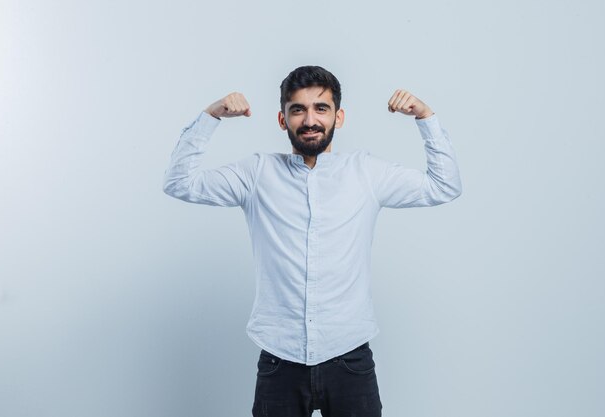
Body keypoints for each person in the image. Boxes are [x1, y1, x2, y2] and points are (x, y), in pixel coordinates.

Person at [163, 65, 462, 417]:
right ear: (282, 119)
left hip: (350, 358)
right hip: (280, 361)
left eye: (321, 108)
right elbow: (179, 183)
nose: (310, 120)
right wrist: (211, 116)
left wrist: (425, 117)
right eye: (298, 110)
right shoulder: (256, 174)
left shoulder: (366, 172)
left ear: (339, 116)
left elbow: (445, 186)